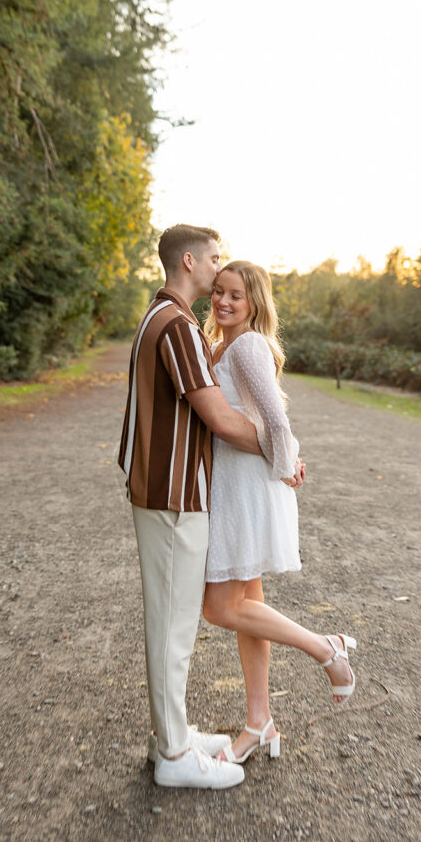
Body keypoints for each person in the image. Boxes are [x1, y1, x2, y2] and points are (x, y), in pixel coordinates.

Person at [118, 225, 300, 789]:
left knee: (176, 621)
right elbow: (220, 419)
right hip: (173, 492)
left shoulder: (163, 317)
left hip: (170, 488)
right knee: (174, 626)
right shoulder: (176, 325)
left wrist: (279, 449)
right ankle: (173, 754)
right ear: (191, 261)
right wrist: (283, 456)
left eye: (234, 287)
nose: (219, 279)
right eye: (214, 264)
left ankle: (174, 738)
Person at [202, 261, 357, 764]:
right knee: (249, 611)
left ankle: (326, 649)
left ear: (255, 303)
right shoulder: (224, 344)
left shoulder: (246, 345)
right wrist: (285, 455)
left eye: (236, 297)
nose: (224, 302)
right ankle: (259, 723)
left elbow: (274, 419)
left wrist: (287, 460)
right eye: (219, 293)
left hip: (244, 487)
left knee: (220, 607)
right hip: (232, 483)